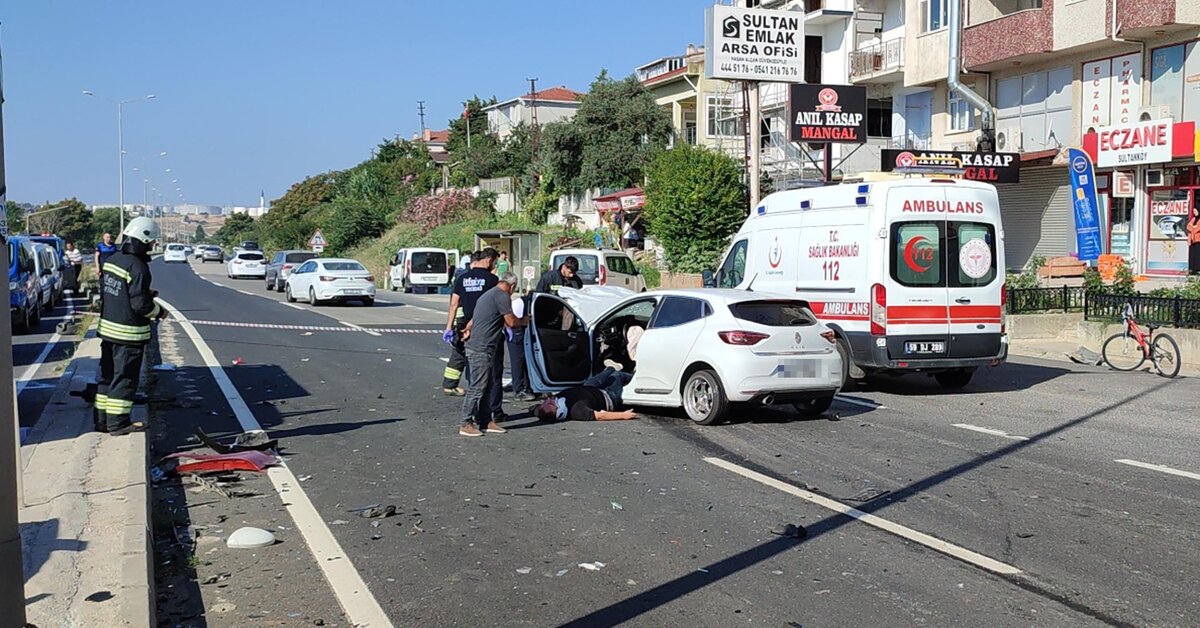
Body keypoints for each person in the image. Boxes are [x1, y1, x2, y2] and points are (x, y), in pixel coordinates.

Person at [96, 217, 166, 435]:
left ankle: (102, 421)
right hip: (128, 334)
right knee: (124, 379)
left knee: (107, 378)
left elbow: (117, 294)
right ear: (143, 240)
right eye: (151, 243)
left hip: (108, 331)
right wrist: (160, 311)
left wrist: (144, 294)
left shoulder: (113, 260)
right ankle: (118, 423)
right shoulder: (139, 268)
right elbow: (141, 306)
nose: (152, 247)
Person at [459, 272, 526, 437]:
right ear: (512, 286)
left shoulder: (487, 295)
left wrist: (468, 329)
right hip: (481, 348)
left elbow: (474, 319)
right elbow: (510, 321)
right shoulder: (502, 296)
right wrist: (524, 320)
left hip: (483, 347)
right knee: (477, 387)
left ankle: (485, 420)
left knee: (488, 386)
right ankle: (465, 422)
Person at [443, 249, 499, 395]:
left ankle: (450, 384)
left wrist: (449, 327)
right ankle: (477, 387)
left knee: (460, 352)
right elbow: (496, 303)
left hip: (462, 322)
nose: (495, 265)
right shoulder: (492, 280)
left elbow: (453, 304)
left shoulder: (462, 279)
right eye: (495, 262)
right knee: (480, 356)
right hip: (483, 324)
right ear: (489, 260)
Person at [531, 367, 638, 422]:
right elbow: (600, 416)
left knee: (605, 373)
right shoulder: (577, 411)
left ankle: (610, 368)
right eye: (550, 404)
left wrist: (533, 409)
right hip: (608, 396)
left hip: (590, 388)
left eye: (546, 402)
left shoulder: (555, 401)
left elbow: (535, 410)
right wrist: (624, 415)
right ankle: (639, 376)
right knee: (617, 376)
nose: (549, 400)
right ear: (558, 413)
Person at [506, 292, 536, 402]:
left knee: (523, 362)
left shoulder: (524, 302)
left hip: (520, 332)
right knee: (518, 361)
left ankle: (526, 387)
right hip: (516, 333)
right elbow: (511, 321)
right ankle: (519, 389)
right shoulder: (520, 303)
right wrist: (523, 322)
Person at [1188, 203, 1200, 275]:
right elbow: (1188, 226)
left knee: (1198, 255)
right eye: (1193, 211)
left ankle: (1198, 269)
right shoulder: (1193, 219)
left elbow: (1198, 229)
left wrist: (1193, 228)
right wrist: (1193, 227)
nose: (1194, 213)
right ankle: (1192, 269)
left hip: (1198, 240)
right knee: (1192, 255)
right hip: (1192, 240)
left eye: (1195, 211)